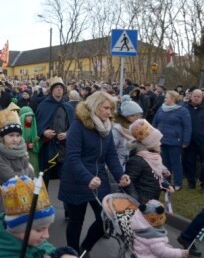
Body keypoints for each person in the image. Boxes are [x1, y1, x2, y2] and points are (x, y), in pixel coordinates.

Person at [58, 91, 131, 256]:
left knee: (105, 220)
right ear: (95, 105)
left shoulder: (106, 126)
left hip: (100, 181)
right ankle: (73, 253)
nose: (109, 112)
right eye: (106, 108)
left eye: (111, 109)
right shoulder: (78, 126)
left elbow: (111, 155)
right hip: (77, 180)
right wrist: (87, 178)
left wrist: (120, 175)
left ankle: (85, 248)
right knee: (76, 222)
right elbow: (73, 157)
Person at [0, 175, 56, 258]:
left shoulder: (33, 241)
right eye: (39, 230)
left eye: (47, 228)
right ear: (19, 227)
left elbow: (47, 248)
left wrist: (62, 253)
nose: (46, 235)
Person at [0, 109, 34, 229]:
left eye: (18, 135)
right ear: (2, 136)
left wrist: (26, 173)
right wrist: (27, 171)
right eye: (11, 135)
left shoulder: (21, 150)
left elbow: (31, 177)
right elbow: (12, 178)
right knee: (0, 237)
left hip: (21, 199)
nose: (15, 139)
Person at [35, 77, 75, 187]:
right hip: (48, 147)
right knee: (44, 178)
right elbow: (37, 125)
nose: (59, 90)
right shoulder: (44, 105)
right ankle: (42, 203)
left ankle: (67, 203)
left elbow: (74, 126)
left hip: (64, 148)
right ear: (51, 90)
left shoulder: (68, 107)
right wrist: (44, 132)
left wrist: (68, 134)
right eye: (56, 87)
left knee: (66, 179)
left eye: (61, 87)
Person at [124, 119, 173, 204]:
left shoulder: (154, 157)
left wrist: (166, 185)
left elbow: (156, 176)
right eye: (157, 141)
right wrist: (137, 201)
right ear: (149, 143)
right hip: (141, 202)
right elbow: (128, 183)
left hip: (152, 199)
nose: (160, 143)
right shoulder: (137, 161)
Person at [152, 90, 191, 190]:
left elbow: (187, 126)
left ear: (173, 99)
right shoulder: (161, 108)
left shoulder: (182, 110)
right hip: (161, 140)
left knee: (175, 162)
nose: (164, 98)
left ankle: (178, 183)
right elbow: (155, 123)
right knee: (164, 163)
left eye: (166, 97)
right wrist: (153, 136)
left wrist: (186, 141)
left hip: (175, 141)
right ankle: (165, 182)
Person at [112, 101, 143, 170]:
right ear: (129, 116)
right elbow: (111, 152)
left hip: (126, 165)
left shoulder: (133, 128)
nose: (139, 118)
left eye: (140, 115)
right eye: (136, 115)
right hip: (117, 166)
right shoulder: (116, 130)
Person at [183, 89, 204, 192]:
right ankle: (191, 182)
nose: (196, 98)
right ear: (191, 96)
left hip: (202, 140)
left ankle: (203, 183)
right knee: (190, 161)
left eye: (198, 96)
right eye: (195, 96)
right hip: (190, 140)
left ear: (202, 97)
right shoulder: (185, 108)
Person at [19, 106, 41, 176]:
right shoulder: (18, 129)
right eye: (28, 116)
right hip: (22, 154)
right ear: (23, 117)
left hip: (33, 154)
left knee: (34, 170)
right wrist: (27, 145)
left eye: (31, 116)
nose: (30, 117)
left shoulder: (34, 126)